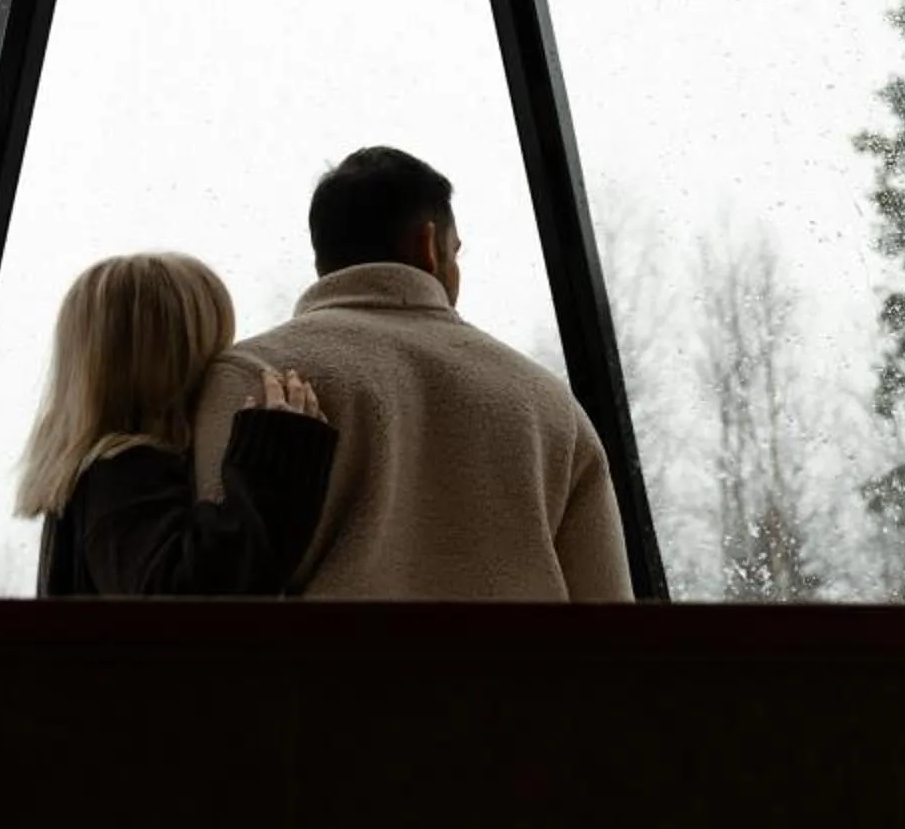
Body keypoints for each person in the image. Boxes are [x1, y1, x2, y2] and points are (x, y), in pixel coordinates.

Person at [190, 147, 632, 601]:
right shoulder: (550, 404)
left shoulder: (248, 376)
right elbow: (610, 617)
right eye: (455, 252)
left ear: (322, 256)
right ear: (429, 246)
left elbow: (210, 593)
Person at [15, 252, 336, 598]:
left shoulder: (101, 476)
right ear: (179, 358)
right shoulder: (123, 471)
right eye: (219, 345)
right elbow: (183, 597)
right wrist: (276, 455)